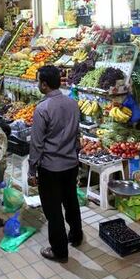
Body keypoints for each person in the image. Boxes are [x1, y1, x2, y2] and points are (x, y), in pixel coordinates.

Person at [28, 65, 82, 263]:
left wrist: (32, 169)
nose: (37, 84)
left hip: (51, 168)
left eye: (38, 81)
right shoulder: (72, 103)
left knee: (53, 210)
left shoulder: (42, 108)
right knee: (71, 201)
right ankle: (76, 236)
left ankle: (59, 251)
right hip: (71, 164)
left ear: (44, 84)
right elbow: (77, 135)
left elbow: (37, 143)